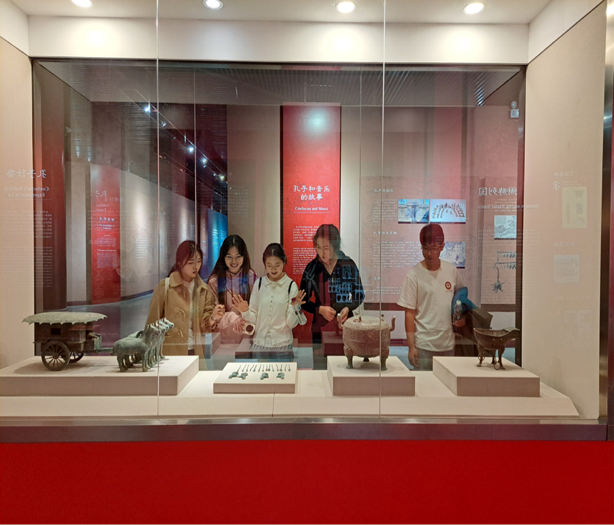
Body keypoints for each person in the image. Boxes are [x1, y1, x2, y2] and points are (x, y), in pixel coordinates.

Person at [397, 224, 465, 371]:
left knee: (448, 384)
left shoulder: (451, 271)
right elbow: (409, 313)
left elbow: (460, 298)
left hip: (447, 344)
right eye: (425, 248)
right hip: (424, 345)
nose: (429, 253)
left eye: (433, 248)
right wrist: (411, 347)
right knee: (423, 384)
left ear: (442, 247)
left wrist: (462, 316)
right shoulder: (414, 275)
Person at [146, 240, 223, 358]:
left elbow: (204, 328)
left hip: (195, 351)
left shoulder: (204, 290)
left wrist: (213, 317)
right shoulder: (165, 287)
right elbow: (152, 323)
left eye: (199, 261)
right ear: (179, 262)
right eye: (190, 262)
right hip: (170, 352)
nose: (195, 266)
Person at [233, 243, 306, 360]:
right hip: (259, 344)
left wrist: (294, 306)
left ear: (284, 262)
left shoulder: (290, 286)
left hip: (282, 345)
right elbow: (254, 320)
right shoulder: (259, 284)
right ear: (264, 264)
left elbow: (291, 324)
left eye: (277, 265)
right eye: (269, 265)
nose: (273, 269)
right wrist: (245, 312)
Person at [300, 224, 364, 349]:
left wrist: (348, 307)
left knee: (346, 359)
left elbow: (359, 295)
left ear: (335, 246)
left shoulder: (347, 265)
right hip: (320, 325)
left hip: (345, 324)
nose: (321, 253)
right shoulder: (312, 268)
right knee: (321, 360)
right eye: (318, 247)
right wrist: (320, 309)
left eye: (326, 248)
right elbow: (303, 300)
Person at [207, 235, 257, 344]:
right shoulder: (215, 281)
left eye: (238, 256)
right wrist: (234, 319)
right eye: (229, 257)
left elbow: (257, 311)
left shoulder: (251, 277)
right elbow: (213, 317)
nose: (234, 261)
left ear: (244, 256)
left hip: (247, 340)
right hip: (222, 343)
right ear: (223, 257)